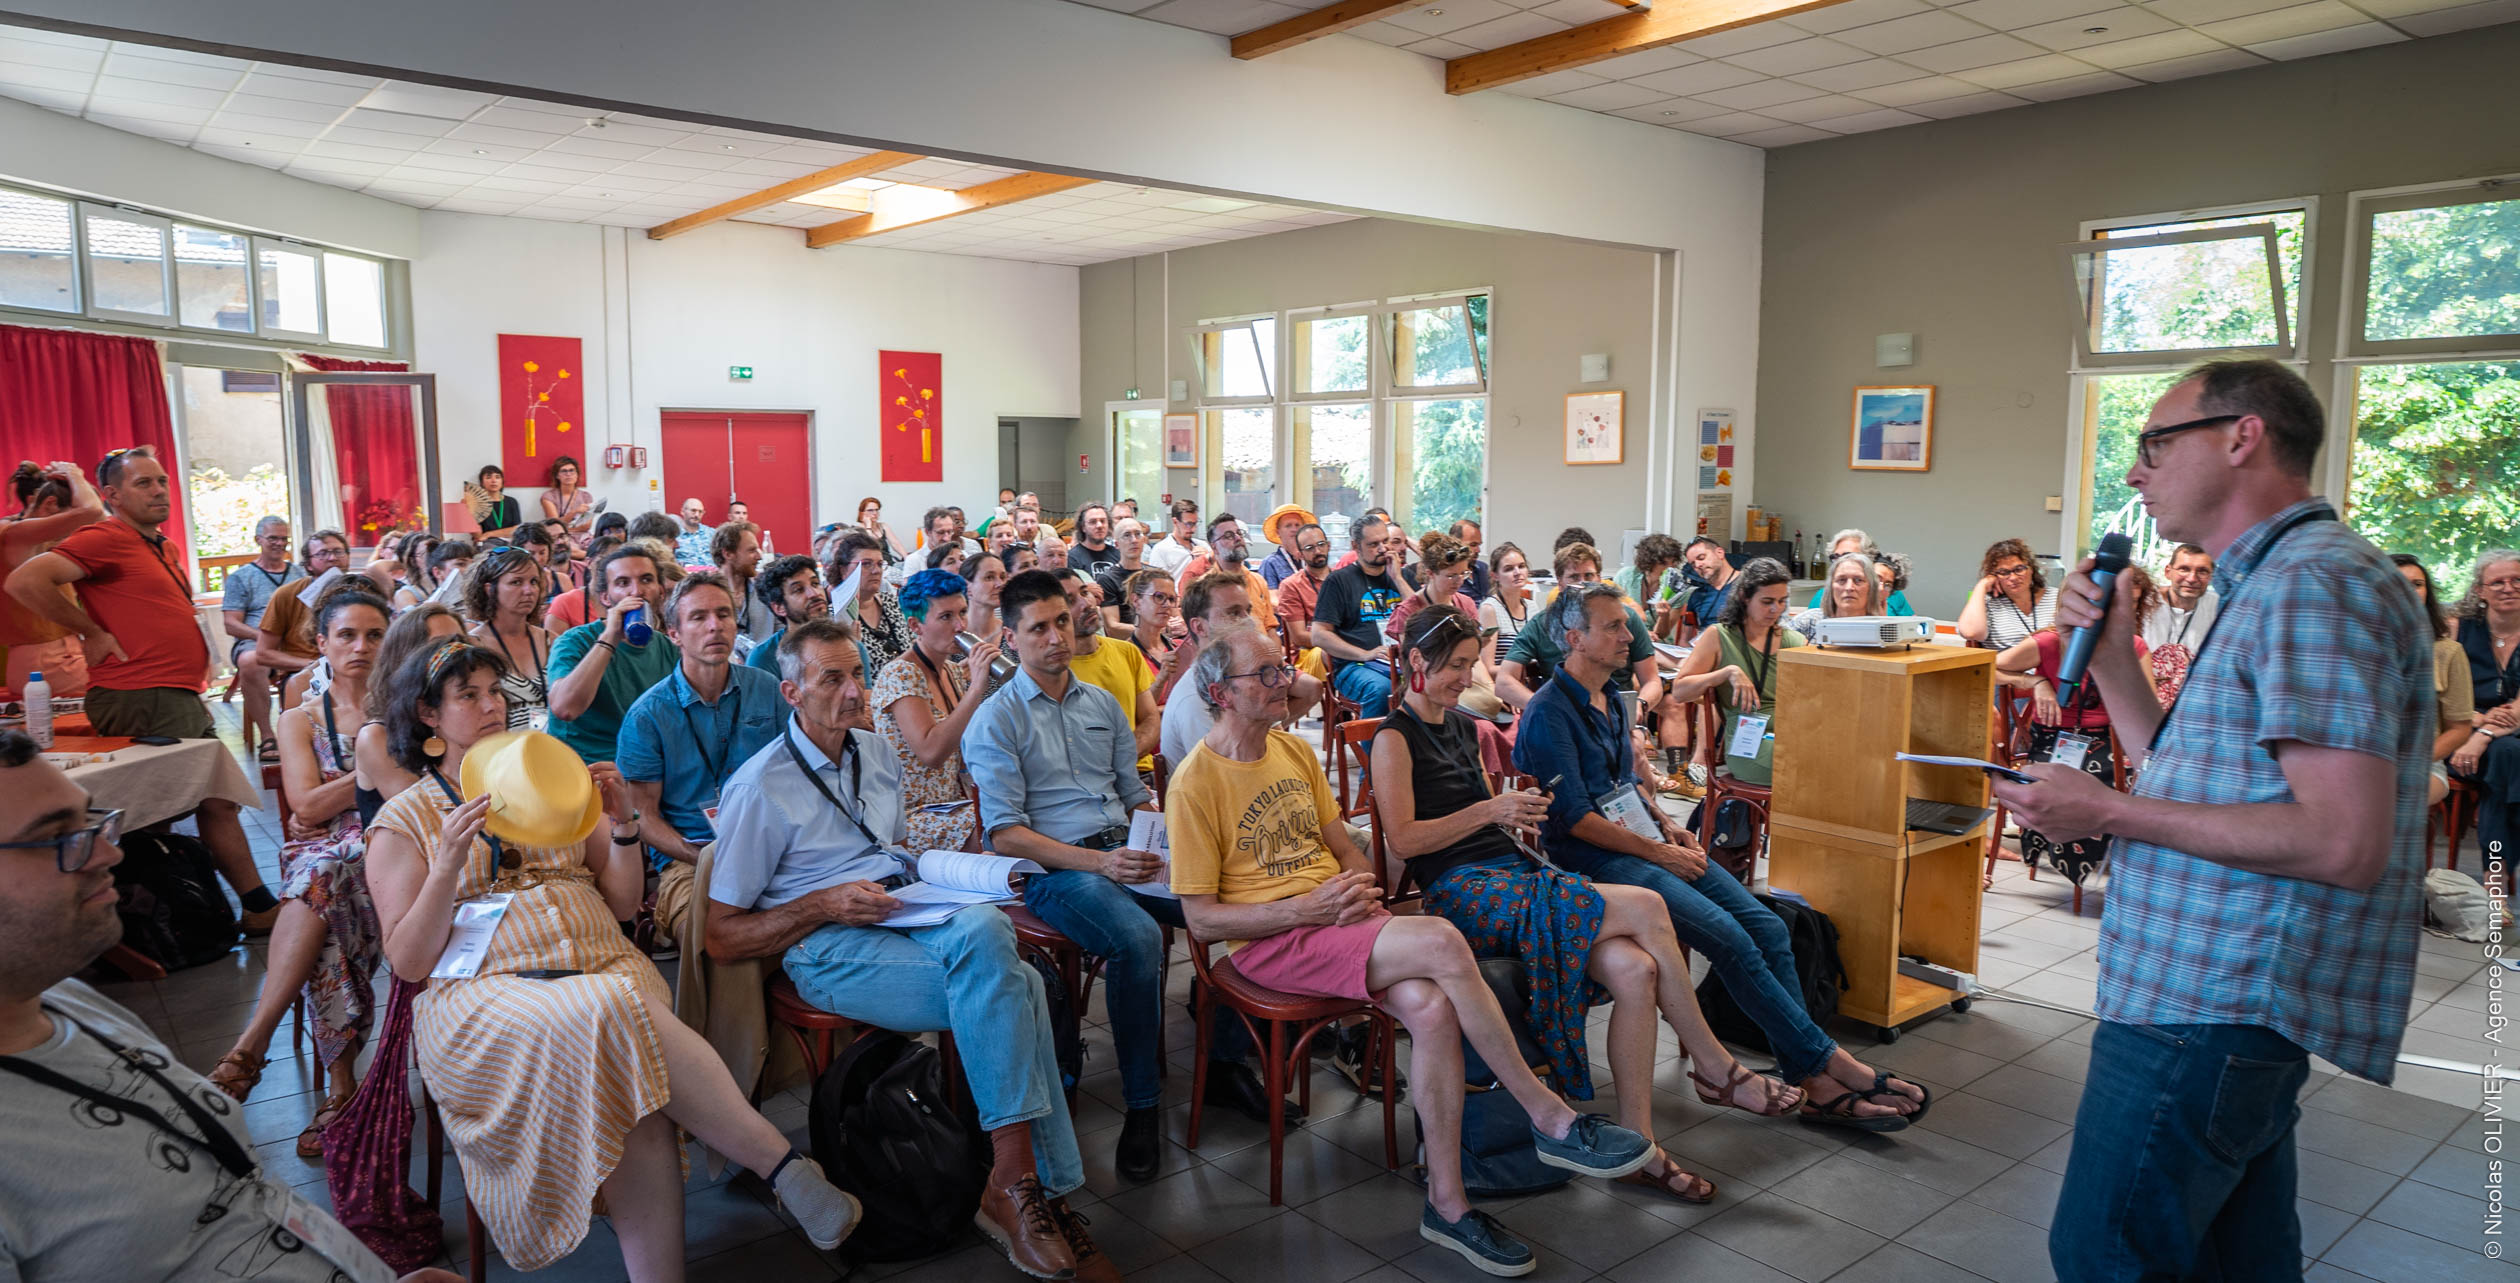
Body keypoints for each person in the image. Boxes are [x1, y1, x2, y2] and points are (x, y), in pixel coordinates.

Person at [1987, 359, 2429, 1280]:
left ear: (2242, 437)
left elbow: (2343, 841)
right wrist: (2111, 657)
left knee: (2108, 1252)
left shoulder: (2314, 584)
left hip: (2212, 997)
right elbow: (2181, 771)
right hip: (2205, 989)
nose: (2137, 471)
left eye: (2155, 442)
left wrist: (2106, 809)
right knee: (2239, 1259)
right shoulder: (2269, 581)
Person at [1168, 624, 1658, 1276]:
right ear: (1218, 693)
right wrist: (1306, 908)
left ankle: (1447, 1204)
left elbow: (1342, 842)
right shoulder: (1195, 783)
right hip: (1268, 942)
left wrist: (1362, 887)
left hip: (1332, 923)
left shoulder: (1290, 752)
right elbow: (1200, 921)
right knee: (1441, 937)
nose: (1284, 681)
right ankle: (1551, 1116)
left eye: (1281, 668)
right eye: (1265, 675)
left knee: (1430, 1007)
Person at [365, 640, 859, 1274]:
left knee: (628, 1066)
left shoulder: (547, 775)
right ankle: (782, 1165)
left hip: (603, 963)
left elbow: (624, 904)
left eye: (496, 691)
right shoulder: (406, 818)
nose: (492, 706)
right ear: (428, 716)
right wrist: (447, 867)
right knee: (614, 1014)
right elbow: (408, 963)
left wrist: (624, 824)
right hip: (487, 995)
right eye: (469, 695)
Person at [704, 617, 1099, 1280]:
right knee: (1018, 982)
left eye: (856, 672)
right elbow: (721, 935)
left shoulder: (875, 751)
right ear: (792, 692)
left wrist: (936, 870)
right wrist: (824, 903)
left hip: (897, 917)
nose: (855, 690)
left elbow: (885, 851)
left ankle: (1015, 1183)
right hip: (824, 946)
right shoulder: (760, 786)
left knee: (987, 937)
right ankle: (1032, 1184)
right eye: (833, 678)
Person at [0, 730, 468, 1283]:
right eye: (57, 837)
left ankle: (267, 1047)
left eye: (89, 821)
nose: (111, 852)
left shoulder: (62, 1002)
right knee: (325, 887)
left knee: (328, 894)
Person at [1374, 604, 1781, 1203]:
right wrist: (1492, 810)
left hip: (1511, 871)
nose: (1468, 677)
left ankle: (1642, 1146)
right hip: (1463, 892)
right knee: (1645, 906)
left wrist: (1518, 811)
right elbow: (1405, 839)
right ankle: (1715, 1066)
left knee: (1635, 968)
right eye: (1457, 666)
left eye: (1470, 664)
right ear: (1415, 662)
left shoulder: (1464, 726)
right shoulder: (1393, 736)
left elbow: (1486, 818)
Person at [1518, 579, 1930, 1131]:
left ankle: (1806, 1071)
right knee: (1732, 941)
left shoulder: (1612, 698)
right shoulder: (1549, 711)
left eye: (1626, 622)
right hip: (1593, 860)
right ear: (1574, 637)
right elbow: (1576, 819)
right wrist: (1660, 854)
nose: (1628, 634)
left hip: (1642, 840)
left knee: (1768, 927)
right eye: (1612, 626)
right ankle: (1828, 1064)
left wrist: (1668, 827)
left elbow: (1627, 786)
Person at [963, 570, 1293, 1184]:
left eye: (1063, 621)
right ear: (1011, 639)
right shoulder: (997, 719)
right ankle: (1142, 1108)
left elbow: (1132, 794)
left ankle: (1223, 1063)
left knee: (1246, 893)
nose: (1058, 637)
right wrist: (1101, 862)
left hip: (1128, 849)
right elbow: (1004, 834)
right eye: (1039, 628)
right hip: (1054, 868)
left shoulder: (1099, 704)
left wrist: (1164, 838)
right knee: (1138, 941)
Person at [6, 447, 276, 924]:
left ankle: (210, 907)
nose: (157, 491)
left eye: (162, 482)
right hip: (141, 691)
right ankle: (235, 908)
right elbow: (26, 582)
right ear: (111, 495)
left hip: (172, 692)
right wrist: (91, 631)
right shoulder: (104, 537)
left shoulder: (162, 545)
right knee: (205, 802)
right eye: (143, 484)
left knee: (203, 800)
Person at [200, 589, 390, 1162]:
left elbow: (419, 792)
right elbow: (305, 809)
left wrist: (354, 788)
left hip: (395, 840)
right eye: (347, 636)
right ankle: (334, 1086)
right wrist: (378, 771)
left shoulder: (408, 709)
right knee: (323, 876)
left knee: (320, 877)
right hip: (329, 852)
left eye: (375, 635)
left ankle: (263, 1050)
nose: (360, 647)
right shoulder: (299, 717)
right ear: (320, 644)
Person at [616, 571, 782, 949]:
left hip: (772, 845)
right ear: (673, 634)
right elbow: (644, 817)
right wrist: (704, 856)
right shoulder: (648, 715)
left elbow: (795, 775)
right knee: (716, 936)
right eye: (699, 617)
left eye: (723, 615)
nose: (715, 627)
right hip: (690, 858)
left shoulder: (766, 689)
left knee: (822, 917)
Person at [1994, 571, 2161, 886]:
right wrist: (2034, 681)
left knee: (2102, 788)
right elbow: (1987, 667)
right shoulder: (2048, 641)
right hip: (2051, 740)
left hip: (2104, 742)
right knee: (2060, 783)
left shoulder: (2134, 646)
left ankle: (2100, 864)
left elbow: (2148, 702)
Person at [872, 569, 995, 854]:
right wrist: (977, 689)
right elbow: (932, 752)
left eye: (962, 613)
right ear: (915, 625)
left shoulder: (951, 670)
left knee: (1016, 807)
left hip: (952, 806)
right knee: (999, 823)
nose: (960, 625)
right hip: (912, 818)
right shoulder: (901, 673)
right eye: (945, 617)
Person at [1495, 542, 1664, 719]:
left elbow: (1652, 680)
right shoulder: (1542, 623)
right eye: (1574, 577)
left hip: (1618, 713)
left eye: (1589, 575)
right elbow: (1504, 682)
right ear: (1559, 583)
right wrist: (1545, 708)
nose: (1583, 583)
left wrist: (1640, 705)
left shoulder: (1625, 618)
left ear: (1599, 578)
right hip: (1563, 713)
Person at [546, 543, 680, 768]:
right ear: (605, 598)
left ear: (661, 592)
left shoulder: (669, 649)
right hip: (585, 771)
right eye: (623, 583)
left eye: (646, 580)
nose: (636, 591)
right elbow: (564, 708)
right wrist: (610, 638)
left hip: (646, 769)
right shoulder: (574, 641)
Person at [1385, 533, 1511, 770]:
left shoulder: (1465, 604)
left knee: (1509, 722)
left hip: (1463, 684)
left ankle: (1489, 784)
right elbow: (1413, 669)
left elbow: (1476, 663)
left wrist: (1490, 693)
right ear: (1430, 574)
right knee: (1481, 729)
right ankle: (1478, 783)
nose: (1459, 581)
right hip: (1428, 689)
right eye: (1451, 575)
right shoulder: (1409, 611)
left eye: (1463, 573)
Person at [355, 605, 466, 814]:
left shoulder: (468, 715)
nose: (455, 656)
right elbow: (429, 817)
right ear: (406, 659)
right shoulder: (376, 735)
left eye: (461, 644)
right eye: (439, 647)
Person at [2451, 549, 2520, 875]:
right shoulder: (2456, 629)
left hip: (2495, 739)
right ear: (2480, 590)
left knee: (2506, 755)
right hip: (2462, 735)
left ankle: (2495, 883)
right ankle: (2499, 879)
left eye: (2517, 579)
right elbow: (2440, 694)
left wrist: (2483, 737)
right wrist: (2476, 722)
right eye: (2498, 582)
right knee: (2509, 757)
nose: (2509, 587)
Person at [2393, 555, 2475, 807]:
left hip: (2423, 765)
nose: (2409, 591)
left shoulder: (2448, 652)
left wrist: (2413, 761)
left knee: (2389, 803)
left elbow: (2459, 729)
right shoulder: (2352, 647)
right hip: (2357, 764)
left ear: (2427, 592)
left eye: (2417, 584)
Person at [1056, 567, 1160, 765]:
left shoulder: (1126, 651)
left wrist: (1124, 756)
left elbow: (1150, 719)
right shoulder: (1054, 671)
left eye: (1085, 592)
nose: (1086, 604)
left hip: (1140, 771)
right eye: (1070, 601)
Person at [1313, 512, 1409, 716]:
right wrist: (1364, 654)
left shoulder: (1402, 575)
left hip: (1401, 661)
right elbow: (1319, 634)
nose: (1383, 549)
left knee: (1434, 684)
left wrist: (1398, 579)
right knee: (1382, 689)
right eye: (1374, 544)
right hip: (1355, 664)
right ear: (1356, 546)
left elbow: (1421, 616)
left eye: (1386, 541)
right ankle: (1374, 748)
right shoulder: (1338, 581)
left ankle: (1412, 746)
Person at [218, 515, 301, 749]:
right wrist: (266, 637)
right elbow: (231, 624)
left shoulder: (300, 574)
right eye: (273, 538)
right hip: (255, 641)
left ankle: (312, 734)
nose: (279, 544)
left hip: (296, 640)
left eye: (284, 539)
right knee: (250, 662)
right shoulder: (241, 577)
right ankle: (268, 736)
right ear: (258, 540)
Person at [1159, 570, 1256, 765]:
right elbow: (1226, 775)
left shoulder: (1240, 677)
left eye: (1248, 611)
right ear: (1199, 627)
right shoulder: (1195, 699)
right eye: (1234, 613)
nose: (1249, 621)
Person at [462, 545, 555, 731]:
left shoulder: (551, 640)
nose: (529, 591)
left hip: (551, 749)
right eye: (516, 582)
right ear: (490, 589)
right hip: (501, 751)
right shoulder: (472, 645)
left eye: (534, 582)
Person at [2139, 542, 2218, 703]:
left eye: (2202, 571)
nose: (2192, 578)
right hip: (2142, 697)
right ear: (2168, 572)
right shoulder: (2143, 602)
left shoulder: (2218, 607)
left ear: (2211, 577)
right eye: (2184, 569)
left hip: (2192, 702)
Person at [1172, 513, 1280, 629]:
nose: (1238, 538)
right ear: (1214, 547)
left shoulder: (1258, 581)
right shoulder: (1203, 589)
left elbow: (1270, 628)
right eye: (1228, 536)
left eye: (1239, 533)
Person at [830, 531, 911, 673]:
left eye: (880, 564)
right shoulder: (834, 617)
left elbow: (912, 646)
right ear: (843, 570)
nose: (876, 571)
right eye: (866, 564)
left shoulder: (892, 602)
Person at [1956, 537, 2056, 649]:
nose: (2013, 577)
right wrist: (1981, 586)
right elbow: (1971, 633)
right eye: (2003, 572)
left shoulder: (2056, 598)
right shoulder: (1988, 604)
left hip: (2051, 665)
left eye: (2019, 569)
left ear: (2031, 569)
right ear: (1994, 576)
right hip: (2001, 665)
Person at [745, 552, 827, 676]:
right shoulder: (764, 659)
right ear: (779, 608)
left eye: (815, 583)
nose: (814, 593)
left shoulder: (846, 644)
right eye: (798, 590)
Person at [1785, 550, 1881, 636]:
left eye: (1858, 580)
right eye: (1841, 580)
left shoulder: (1881, 630)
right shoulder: (1808, 622)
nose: (1849, 587)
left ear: (1871, 587)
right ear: (1831, 587)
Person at [710, 519, 773, 644]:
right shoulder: (705, 596)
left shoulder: (766, 591)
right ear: (728, 554)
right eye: (751, 550)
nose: (759, 556)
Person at [1479, 542, 1533, 672]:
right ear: (1495, 576)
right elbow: (1488, 669)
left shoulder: (1532, 606)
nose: (1517, 572)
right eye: (1509, 569)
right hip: (1502, 686)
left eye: (1521, 566)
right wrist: (1524, 668)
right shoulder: (1490, 609)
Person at [1093, 516, 1151, 633]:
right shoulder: (1107, 579)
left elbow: (1172, 613)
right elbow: (1112, 627)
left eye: (1138, 534)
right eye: (1127, 535)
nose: (1134, 540)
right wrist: (1152, 629)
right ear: (1117, 544)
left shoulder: (1154, 575)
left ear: (1144, 540)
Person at [1672, 535, 1737, 628]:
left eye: (1701, 558)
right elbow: (1686, 639)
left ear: (1720, 553)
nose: (1698, 565)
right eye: (1693, 564)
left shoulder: (1748, 584)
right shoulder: (1697, 595)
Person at [1123, 567, 1179, 675]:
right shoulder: (1125, 655)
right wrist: (1161, 680)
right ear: (1136, 601)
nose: (1167, 604)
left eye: (1171, 599)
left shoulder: (1179, 648)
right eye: (1159, 597)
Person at [1610, 533, 1682, 613]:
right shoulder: (1625, 576)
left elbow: (1669, 624)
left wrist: (1663, 616)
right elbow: (1611, 610)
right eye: (1663, 563)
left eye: (1673, 562)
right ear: (1649, 562)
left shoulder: (1676, 588)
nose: (1670, 568)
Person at [1253, 503, 1316, 589]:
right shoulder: (1270, 563)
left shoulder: (1311, 558)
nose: (1294, 529)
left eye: (1297, 525)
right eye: (1288, 526)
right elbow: (1271, 598)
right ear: (1278, 532)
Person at [1146, 498, 1207, 577]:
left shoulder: (1203, 546)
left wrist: (1208, 559)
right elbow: (1157, 584)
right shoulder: (1161, 550)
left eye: (1195, 523)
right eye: (1188, 524)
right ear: (1175, 522)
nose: (1193, 529)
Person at [540, 454, 595, 535]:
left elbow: (587, 526)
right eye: (564, 471)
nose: (568, 474)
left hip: (583, 537)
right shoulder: (548, 497)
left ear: (577, 474)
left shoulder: (586, 496)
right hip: (559, 538)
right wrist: (574, 512)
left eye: (572, 470)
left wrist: (564, 527)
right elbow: (554, 525)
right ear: (557, 475)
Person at [473, 464, 523, 538]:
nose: (493, 481)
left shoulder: (512, 502)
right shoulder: (477, 504)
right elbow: (478, 536)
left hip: (510, 542)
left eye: (497, 477)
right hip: (487, 543)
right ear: (482, 483)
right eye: (488, 477)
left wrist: (488, 534)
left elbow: (517, 529)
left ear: (502, 482)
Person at [673, 498, 713, 566]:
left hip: (713, 574)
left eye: (700, 512)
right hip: (686, 574)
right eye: (693, 511)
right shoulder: (674, 535)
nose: (697, 515)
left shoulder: (712, 533)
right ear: (682, 511)